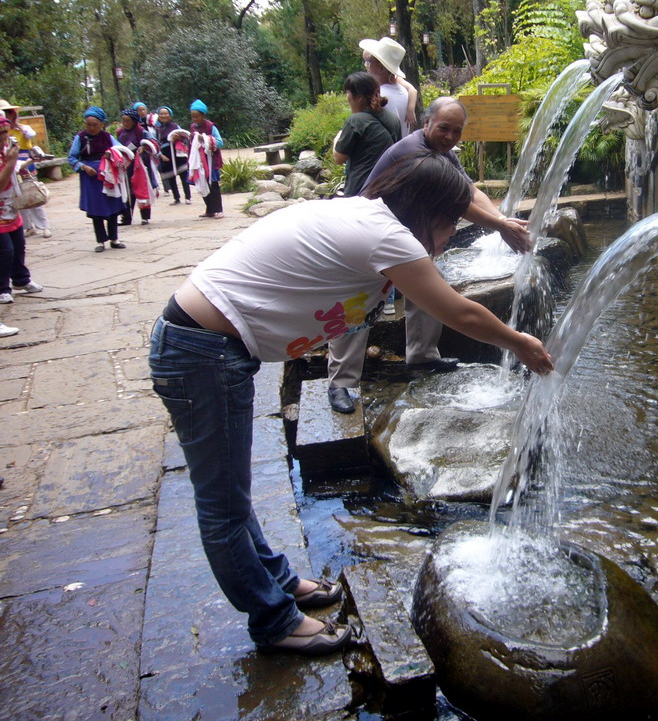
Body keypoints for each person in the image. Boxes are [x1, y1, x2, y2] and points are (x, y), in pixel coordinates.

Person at [149, 152, 552, 656]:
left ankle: (278, 582)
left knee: (233, 492)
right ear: (423, 210)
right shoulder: (384, 235)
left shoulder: (369, 219)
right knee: (222, 505)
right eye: (450, 221)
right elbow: (459, 313)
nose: (453, 232)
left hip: (212, 350)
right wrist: (522, 343)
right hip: (201, 354)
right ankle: (273, 622)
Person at [325, 96, 530, 414]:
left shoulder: (443, 153)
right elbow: (458, 203)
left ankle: (422, 356)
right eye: (444, 128)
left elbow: (470, 190)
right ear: (426, 124)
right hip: (372, 235)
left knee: (430, 289)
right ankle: (341, 384)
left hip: (409, 232)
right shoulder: (413, 151)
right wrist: (499, 226)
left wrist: (502, 221)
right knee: (358, 304)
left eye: (457, 132)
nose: (449, 137)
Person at [68, 106, 127, 252]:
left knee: (112, 204)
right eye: (89, 125)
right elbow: (72, 157)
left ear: (101, 124)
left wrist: (111, 155)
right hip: (90, 177)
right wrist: (83, 167)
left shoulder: (108, 137)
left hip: (107, 174)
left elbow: (120, 150)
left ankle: (114, 239)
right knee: (95, 208)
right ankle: (101, 240)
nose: (92, 128)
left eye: (95, 124)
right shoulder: (80, 138)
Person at [333, 71, 401, 197]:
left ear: (359, 97)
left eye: (348, 92)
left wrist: (337, 139)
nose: (346, 96)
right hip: (386, 187)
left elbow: (338, 158)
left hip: (360, 188)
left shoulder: (355, 121)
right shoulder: (393, 118)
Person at [0, 118, 43, 304]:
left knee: (18, 246)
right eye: (1, 134)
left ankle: (21, 279)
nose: (5, 137)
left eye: (6, 132)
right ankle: (2, 288)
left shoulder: (5, 151)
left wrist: (30, 161)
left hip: (11, 207)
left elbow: (14, 167)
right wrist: (10, 162)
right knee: (5, 250)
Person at [0, 99, 51, 239]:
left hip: (24, 163)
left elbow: (30, 135)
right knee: (17, 197)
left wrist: (17, 125)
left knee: (32, 194)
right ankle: (28, 226)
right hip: (10, 165)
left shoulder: (21, 129)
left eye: (8, 114)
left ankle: (44, 226)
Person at [359, 37, 419, 137]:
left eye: (369, 61)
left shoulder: (381, 96)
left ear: (381, 67)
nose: (366, 65)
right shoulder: (403, 91)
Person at [115, 107, 159, 225]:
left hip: (140, 166)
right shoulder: (120, 133)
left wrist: (144, 147)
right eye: (123, 120)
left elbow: (154, 144)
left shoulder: (141, 132)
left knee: (142, 188)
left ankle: (145, 217)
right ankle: (126, 217)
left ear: (134, 121)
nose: (125, 123)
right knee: (127, 190)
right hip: (126, 166)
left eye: (127, 121)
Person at [188, 99, 224, 219]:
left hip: (210, 161)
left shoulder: (210, 127)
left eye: (196, 116)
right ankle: (210, 210)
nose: (194, 119)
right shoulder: (193, 127)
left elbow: (219, 142)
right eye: (192, 117)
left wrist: (206, 140)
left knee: (213, 184)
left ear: (203, 115)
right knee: (202, 183)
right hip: (199, 162)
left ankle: (218, 209)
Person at [154, 106, 191, 205]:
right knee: (171, 178)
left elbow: (185, 138)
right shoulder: (157, 129)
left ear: (170, 115)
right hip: (165, 155)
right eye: (161, 114)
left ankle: (188, 197)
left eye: (166, 113)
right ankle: (176, 198)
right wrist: (160, 155)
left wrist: (178, 137)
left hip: (177, 154)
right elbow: (155, 143)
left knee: (184, 176)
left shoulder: (175, 126)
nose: (163, 115)